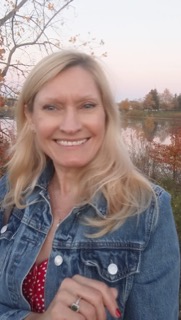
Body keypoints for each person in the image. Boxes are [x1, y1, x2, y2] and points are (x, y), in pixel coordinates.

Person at [0, 50, 180, 320]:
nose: (71, 126)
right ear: (31, 117)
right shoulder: (11, 190)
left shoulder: (147, 210)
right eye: (52, 107)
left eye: (87, 106)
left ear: (106, 114)